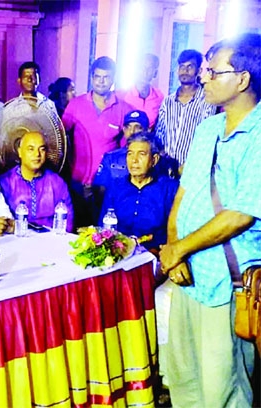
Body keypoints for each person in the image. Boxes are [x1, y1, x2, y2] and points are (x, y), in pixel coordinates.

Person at [159, 33, 261, 407]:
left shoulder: (258, 136)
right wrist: (174, 251)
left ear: (243, 79)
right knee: (184, 377)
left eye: (212, 71)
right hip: (188, 275)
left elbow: (239, 214)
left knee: (223, 387)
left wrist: (179, 249)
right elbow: (184, 195)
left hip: (227, 282)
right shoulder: (206, 130)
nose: (203, 77)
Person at [62, 56, 133, 226]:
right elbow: (61, 138)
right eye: (97, 77)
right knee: (77, 231)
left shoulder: (123, 109)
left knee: (104, 233)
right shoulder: (76, 105)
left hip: (109, 185)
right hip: (77, 182)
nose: (101, 82)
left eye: (106, 77)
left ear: (113, 79)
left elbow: (126, 149)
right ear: (91, 77)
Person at [100, 132, 178, 251]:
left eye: (141, 154)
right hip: (117, 253)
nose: (134, 160)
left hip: (155, 255)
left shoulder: (169, 189)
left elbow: (176, 230)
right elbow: (103, 226)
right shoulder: (116, 187)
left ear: (154, 160)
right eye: (130, 154)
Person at [0, 130, 73, 232]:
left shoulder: (57, 183)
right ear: (20, 152)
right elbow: (2, 222)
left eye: (42, 149)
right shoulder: (5, 182)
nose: (37, 154)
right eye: (31, 149)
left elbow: (68, 223)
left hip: (50, 241)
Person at [154, 49, 218, 166]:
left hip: (193, 167)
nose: (185, 71)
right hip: (166, 168)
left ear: (199, 71)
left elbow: (207, 137)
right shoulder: (168, 101)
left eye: (190, 67)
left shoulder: (207, 100)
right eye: (182, 67)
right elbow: (160, 134)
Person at [0, 61, 58, 167]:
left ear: (39, 79)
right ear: (19, 81)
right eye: (26, 76)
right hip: (19, 160)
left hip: (44, 159)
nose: (30, 79)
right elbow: (5, 137)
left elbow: (55, 134)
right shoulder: (11, 108)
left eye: (33, 76)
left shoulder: (49, 105)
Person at [93, 110, 179, 192]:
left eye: (137, 127)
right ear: (123, 129)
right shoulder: (111, 158)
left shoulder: (156, 160)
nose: (132, 131)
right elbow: (100, 190)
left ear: (147, 130)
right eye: (128, 127)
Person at [117, 53, 164, 127]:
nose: (145, 72)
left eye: (150, 69)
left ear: (155, 73)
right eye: (142, 68)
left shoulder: (159, 97)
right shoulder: (121, 95)